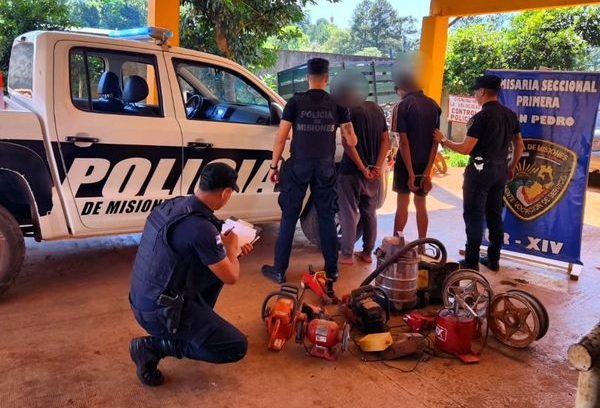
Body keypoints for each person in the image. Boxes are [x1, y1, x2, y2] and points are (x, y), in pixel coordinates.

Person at [128, 162, 254, 387]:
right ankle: (154, 346)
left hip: (142, 300)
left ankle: (189, 328)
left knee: (215, 267)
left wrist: (227, 253)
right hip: (161, 314)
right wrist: (231, 250)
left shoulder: (174, 205)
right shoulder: (200, 228)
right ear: (225, 192)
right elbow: (231, 276)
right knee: (236, 346)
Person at [262, 57, 358, 288]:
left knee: (289, 216)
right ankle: (332, 271)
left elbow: (281, 138)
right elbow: (351, 140)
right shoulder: (338, 104)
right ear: (327, 79)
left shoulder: (295, 102)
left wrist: (274, 166)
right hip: (325, 168)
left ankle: (279, 270)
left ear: (307, 78)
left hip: (298, 167)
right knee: (326, 216)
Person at [433, 74, 524, 271]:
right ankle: (493, 259)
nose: (475, 95)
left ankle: (471, 261)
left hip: (480, 171)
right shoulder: (510, 115)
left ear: (482, 91)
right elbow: (519, 144)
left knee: (474, 216)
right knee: (494, 215)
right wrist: (512, 166)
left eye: (475, 91)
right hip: (500, 170)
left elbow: (466, 149)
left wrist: (443, 140)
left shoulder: (480, 118)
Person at [333, 77, 391, 265]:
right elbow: (386, 141)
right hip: (373, 173)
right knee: (369, 212)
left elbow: (348, 144)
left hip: (351, 171)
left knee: (348, 212)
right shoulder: (376, 109)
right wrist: (376, 166)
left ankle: (346, 254)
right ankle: (367, 253)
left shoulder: (347, 112)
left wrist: (361, 167)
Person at [392, 74, 441, 241]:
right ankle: (422, 244)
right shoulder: (434, 105)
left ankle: (397, 243)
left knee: (402, 204)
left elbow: (403, 142)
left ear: (402, 88)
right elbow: (435, 141)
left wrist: (411, 173)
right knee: (421, 204)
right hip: (424, 162)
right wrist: (427, 171)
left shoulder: (402, 106)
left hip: (406, 164)